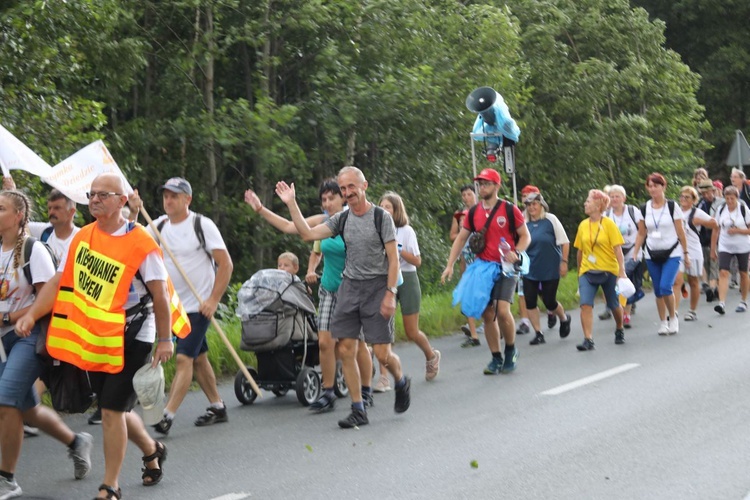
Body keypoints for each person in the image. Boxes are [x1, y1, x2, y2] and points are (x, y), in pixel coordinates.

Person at [16, 174, 192, 499]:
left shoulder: (140, 241)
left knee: (111, 411)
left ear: (122, 201)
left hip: (135, 333)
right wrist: (32, 313)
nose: (94, 200)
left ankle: (110, 485)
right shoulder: (81, 238)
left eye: (102, 195)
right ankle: (152, 450)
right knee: (119, 410)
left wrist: (166, 340)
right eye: (91, 194)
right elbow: (57, 281)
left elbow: (160, 296)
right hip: (97, 336)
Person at [274, 166, 408, 429]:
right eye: (343, 189)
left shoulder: (381, 218)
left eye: (351, 187)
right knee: (345, 348)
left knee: (382, 354)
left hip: (378, 288)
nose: (347, 193)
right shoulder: (341, 220)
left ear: (364, 186)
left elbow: (394, 260)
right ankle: (358, 409)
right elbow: (307, 234)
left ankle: (401, 380)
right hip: (349, 288)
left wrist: (390, 294)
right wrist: (291, 204)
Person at [245, 180, 374, 411]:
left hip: (354, 290)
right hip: (329, 289)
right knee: (325, 342)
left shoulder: (355, 221)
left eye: (331, 198)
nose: (327, 203)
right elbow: (289, 226)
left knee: (356, 345)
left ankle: (366, 391)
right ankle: (327, 393)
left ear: (342, 198)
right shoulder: (324, 221)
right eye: (323, 200)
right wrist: (261, 208)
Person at [0, 189, 93, 499]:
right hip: (2, 341)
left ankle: (7, 479)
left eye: (1, 208)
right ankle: (76, 443)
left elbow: (48, 300)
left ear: (18, 216)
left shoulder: (33, 250)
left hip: (27, 337)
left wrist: (10, 318)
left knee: (6, 402)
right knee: (27, 409)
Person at [134, 177, 234, 436]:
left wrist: (213, 300)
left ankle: (166, 415)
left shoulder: (202, 225)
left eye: (174, 196)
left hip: (199, 306)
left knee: (183, 358)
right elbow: (130, 241)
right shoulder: (157, 226)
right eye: (165, 196)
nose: (168, 200)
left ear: (187, 199)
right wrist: (134, 210)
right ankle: (217, 405)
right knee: (198, 359)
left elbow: (226, 264)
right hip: (173, 308)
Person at [442, 168, 531, 374]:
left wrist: (516, 252)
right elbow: (461, 238)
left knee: (502, 310)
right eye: (480, 184)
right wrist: (450, 264)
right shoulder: (473, 212)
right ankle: (495, 357)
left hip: (505, 267)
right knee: (487, 312)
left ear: (497, 186)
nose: (482, 187)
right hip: (482, 268)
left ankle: (510, 349)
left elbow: (525, 236)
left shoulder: (509, 210)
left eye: (486, 184)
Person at [376, 191, 440, 386]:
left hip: (408, 278)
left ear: (396, 210)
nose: (384, 210)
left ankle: (431, 356)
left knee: (412, 331)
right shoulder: (376, 230)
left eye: (388, 207)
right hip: (386, 279)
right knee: (382, 330)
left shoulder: (406, 231)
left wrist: (398, 250)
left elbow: (417, 261)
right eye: (382, 206)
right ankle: (384, 378)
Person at [633, 173, 689, 335]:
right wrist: (636, 252)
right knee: (658, 289)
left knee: (666, 286)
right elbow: (642, 233)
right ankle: (663, 322)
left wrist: (686, 253)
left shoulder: (672, 207)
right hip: (651, 252)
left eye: (655, 186)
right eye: (650, 186)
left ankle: (673, 317)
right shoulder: (644, 209)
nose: (652, 189)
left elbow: (681, 232)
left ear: (663, 187)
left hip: (672, 252)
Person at [573, 189, 627, 350]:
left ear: (598, 205)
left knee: (614, 304)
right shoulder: (583, 225)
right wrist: (579, 272)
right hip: (587, 271)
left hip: (608, 270)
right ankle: (588, 339)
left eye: (588, 201)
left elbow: (618, 250)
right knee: (585, 304)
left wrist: (621, 272)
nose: (585, 204)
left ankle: (619, 327)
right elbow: (580, 251)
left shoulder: (609, 224)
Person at [521, 190, 572, 345]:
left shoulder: (551, 220)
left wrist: (564, 262)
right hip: (530, 268)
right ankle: (538, 333)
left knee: (549, 301)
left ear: (541, 205)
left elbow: (565, 242)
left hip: (550, 266)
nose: (531, 208)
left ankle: (564, 318)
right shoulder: (523, 223)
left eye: (534, 204)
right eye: (529, 205)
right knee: (530, 300)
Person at [603, 185, 644, 329]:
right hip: (614, 253)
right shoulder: (607, 215)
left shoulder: (633, 211)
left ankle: (625, 314)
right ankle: (619, 311)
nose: (614, 199)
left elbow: (642, 231)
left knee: (626, 278)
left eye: (617, 196)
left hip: (633, 250)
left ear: (623, 198)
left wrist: (636, 250)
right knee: (619, 282)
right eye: (612, 196)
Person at [676, 186, 716, 321]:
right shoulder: (676, 211)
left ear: (693, 200)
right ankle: (674, 311)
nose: (683, 199)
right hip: (677, 250)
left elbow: (714, 223)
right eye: (681, 196)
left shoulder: (697, 212)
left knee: (693, 281)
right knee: (677, 279)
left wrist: (700, 222)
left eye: (687, 197)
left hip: (693, 250)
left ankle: (692, 311)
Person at [451, 184, 483, 347]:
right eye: (463, 195)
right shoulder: (459, 215)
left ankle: (493, 325)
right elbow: (453, 236)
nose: (466, 198)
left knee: (485, 294)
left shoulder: (482, 211)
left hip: (483, 258)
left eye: (469, 194)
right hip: (467, 257)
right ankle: (474, 334)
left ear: (475, 195)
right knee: (468, 294)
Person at [710, 185, 750, 314]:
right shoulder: (721, 209)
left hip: (742, 245)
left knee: (743, 273)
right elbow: (716, 229)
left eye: (732, 198)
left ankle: (743, 301)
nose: (729, 201)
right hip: (725, 244)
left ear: (737, 198)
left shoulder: (743, 209)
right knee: (723, 272)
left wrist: (738, 230)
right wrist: (713, 249)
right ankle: (722, 303)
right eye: (727, 198)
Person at [697, 179, 723, 302]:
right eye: (704, 193)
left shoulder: (720, 203)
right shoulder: (700, 204)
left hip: (717, 239)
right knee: (707, 265)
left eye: (708, 192)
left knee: (714, 264)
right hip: (703, 239)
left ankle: (712, 289)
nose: (706, 195)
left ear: (713, 191)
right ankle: (715, 288)